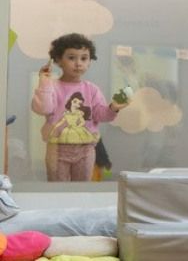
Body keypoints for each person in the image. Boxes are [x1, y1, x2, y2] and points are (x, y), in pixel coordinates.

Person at [32, 33, 127, 182]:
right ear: (58, 60)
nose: (78, 63)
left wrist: (113, 108)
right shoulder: (51, 86)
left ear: (89, 62)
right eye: (71, 58)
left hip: (86, 149)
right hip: (57, 148)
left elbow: (100, 115)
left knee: (82, 187)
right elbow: (43, 109)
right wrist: (44, 81)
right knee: (57, 188)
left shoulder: (92, 89)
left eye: (84, 58)